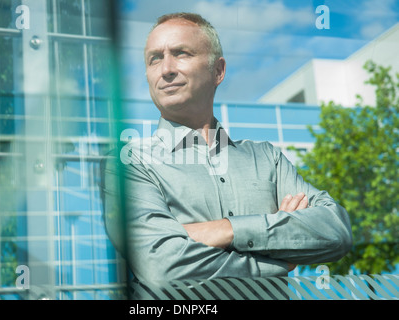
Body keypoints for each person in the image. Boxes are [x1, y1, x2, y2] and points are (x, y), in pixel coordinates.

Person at [103, 12, 352, 284]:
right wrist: (279, 257)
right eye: (155, 59)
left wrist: (224, 230)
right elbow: (163, 267)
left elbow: (336, 230)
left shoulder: (266, 158)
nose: (166, 69)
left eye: (181, 53)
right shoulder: (130, 163)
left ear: (218, 71)